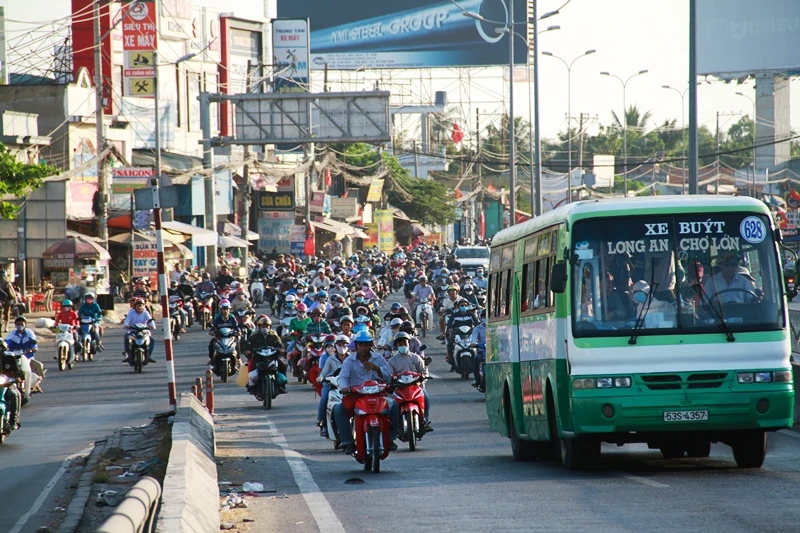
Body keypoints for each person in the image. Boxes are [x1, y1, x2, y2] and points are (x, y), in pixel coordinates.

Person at [332, 330, 399, 456]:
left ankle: (390, 439)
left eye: (366, 345)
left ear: (370, 345)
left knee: (394, 406)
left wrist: (377, 368)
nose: (363, 348)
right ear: (356, 345)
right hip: (356, 395)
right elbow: (343, 377)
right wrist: (344, 387)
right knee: (339, 410)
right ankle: (348, 442)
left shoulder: (378, 358)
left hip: (377, 394)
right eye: (360, 345)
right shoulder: (349, 360)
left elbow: (388, 377)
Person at [387, 331, 432, 430]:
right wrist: (392, 383)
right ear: (396, 345)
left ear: (409, 343)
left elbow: (424, 372)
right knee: (392, 404)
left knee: (426, 398)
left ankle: (425, 420)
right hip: (399, 389)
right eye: (400, 344)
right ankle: (394, 423)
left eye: (405, 343)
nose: (402, 345)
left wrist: (421, 381)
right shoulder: (392, 361)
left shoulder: (416, 358)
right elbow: (389, 376)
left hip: (416, 387)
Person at [316, 334, 350, 437]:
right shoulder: (330, 359)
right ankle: (322, 423)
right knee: (324, 398)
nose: (342, 347)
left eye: (344, 344)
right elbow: (324, 372)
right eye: (339, 344)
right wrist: (321, 377)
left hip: (348, 385)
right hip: (332, 384)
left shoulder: (352, 358)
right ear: (336, 346)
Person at [244, 315, 288, 395]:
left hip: (272, 356)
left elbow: (280, 344)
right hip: (258, 356)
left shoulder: (274, 335)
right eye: (263, 326)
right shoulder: (254, 335)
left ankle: (282, 385)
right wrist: (247, 350)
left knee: (282, 365)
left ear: (270, 327)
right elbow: (248, 345)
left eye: (267, 326)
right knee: (251, 366)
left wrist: (281, 349)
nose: (265, 328)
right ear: (259, 327)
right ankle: (251, 386)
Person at [446, 298, 480, 372]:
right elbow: (449, 324)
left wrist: (477, 327)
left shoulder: (471, 315)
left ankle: (478, 363)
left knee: (478, 346)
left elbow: (476, 323)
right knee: (449, 345)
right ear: (458, 306)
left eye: (465, 305)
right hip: (457, 335)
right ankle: (453, 363)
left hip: (469, 335)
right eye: (462, 305)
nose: (463, 306)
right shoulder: (454, 315)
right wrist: (450, 329)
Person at [123, 299, 157, 363]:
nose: (139, 307)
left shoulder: (145, 313)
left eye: (141, 305)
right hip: (133, 330)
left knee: (152, 340)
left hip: (143, 331)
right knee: (126, 338)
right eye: (138, 305)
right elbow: (127, 320)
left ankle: (148, 356)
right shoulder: (131, 312)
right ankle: (128, 355)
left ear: (143, 306)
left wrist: (152, 326)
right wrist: (126, 325)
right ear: (135, 306)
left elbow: (150, 320)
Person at [208, 299, 239, 365]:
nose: (225, 311)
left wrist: (238, 331)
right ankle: (211, 359)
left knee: (237, 342)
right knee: (212, 343)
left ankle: (238, 359)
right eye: (224, 309)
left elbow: (236, 326)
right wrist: (212, 332)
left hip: (230, 337)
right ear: (221, 310)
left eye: (227, 309)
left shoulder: (232, 318)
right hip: (220, 337)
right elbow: (213, 327)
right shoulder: (217, 318)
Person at [0, 339, 21, 428]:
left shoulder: (9, 358)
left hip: (7, 385)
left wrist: (17, 377)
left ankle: (13, 421)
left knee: (14, 394)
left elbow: (17, 371)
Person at [470, 310, 487, 390]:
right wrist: (473, 343)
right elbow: (473, 338)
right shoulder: (477, 328)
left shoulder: (495, 326)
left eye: (487, 316)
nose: (485, 318)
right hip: (482, 351)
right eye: (484, 316)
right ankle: (477, 380)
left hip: (494, 351)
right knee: (476, 360)